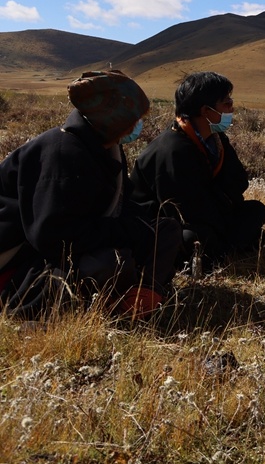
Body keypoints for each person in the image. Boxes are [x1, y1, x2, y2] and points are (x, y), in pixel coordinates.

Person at [0, 70, 182, 318]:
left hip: (90, 238)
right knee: (110, 262)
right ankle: (112, 304)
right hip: (29, 259)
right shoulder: (62, 154)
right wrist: (125, 232)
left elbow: (122, 202)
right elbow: (54, 238)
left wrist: (139, 227)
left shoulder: (107, 147)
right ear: (114, 117)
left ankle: (145, 294)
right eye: (134, 118)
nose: (138, 125)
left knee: (167, 230)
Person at [129, 72, 265, 267]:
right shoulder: (171, 149)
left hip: (212, 214)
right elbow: (179, 209)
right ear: (206, 110)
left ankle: (226, 245)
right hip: (166, 225)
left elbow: (238, 182)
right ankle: (225, 247)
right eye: (227, 104)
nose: (232, 109)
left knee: (256, 210)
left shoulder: (217, 139)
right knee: (194, 237)